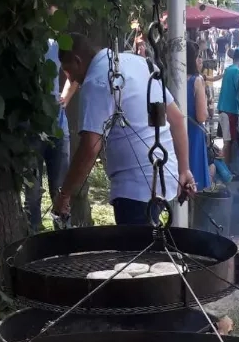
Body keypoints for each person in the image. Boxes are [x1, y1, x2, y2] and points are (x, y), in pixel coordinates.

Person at [52, 34, 196, 226]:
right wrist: (184, 169)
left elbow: (90, 147)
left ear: (77, 61)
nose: (70, 79)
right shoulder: (140, 63)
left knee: (137, 244)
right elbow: (176, 118)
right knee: (152, 242)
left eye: (68, 71)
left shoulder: (96, 81)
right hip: (164, 178)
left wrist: (64, 194)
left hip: (134, 192)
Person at [24, 38, 76, 231]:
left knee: (61, 191)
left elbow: (74, 75)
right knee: (32, 195)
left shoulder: (55, 44)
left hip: (58, 128)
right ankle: (33, 240)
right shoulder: (24, 43)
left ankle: (64, 242)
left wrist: (65, 98)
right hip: (30, 129)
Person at [186, 41, 211, 193]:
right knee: (194, 178)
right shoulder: (197, 80)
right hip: (193, 134)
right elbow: (201, 116)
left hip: (176, 131)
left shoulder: (172, 78)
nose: (200, 59)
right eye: (198, 56)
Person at [217, 45, 239, 167]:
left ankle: (226, 168)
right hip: (230, 111)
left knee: (227, 140)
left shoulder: (228, 70)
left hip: (223, 109)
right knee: (228, 142)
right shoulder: (237, 71)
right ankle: (227, 169)